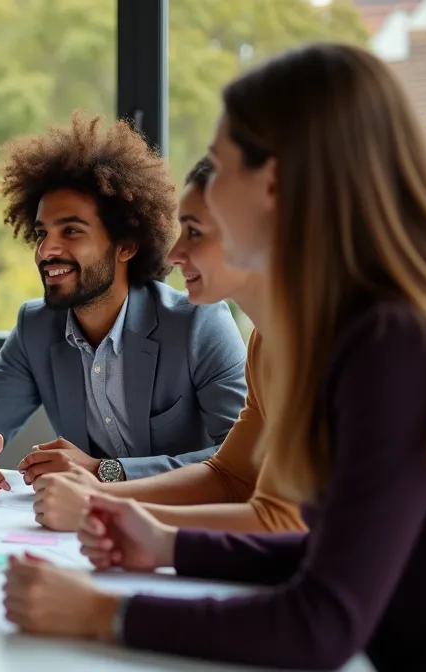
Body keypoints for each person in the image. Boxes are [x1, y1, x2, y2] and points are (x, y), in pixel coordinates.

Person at [3, 42, 426, 671]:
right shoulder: (354, 329)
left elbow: (322, 623)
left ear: (274, 182)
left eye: (224, 160)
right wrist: (169, 544)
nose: (204, 188)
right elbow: (333, 552)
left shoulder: (391, 343)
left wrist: (102, 614)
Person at [0, 113, 247, 497]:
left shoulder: (198, 322)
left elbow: (241, 459)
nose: (47, 250)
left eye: (72, 231)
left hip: (182, 527)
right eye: (42, 233)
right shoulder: (35, 326)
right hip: (83, 530)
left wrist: (105, 472)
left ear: (126, 245)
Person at [30, 157, 304, 533]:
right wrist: (101, 499)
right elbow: (232, 476)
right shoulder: (263, 343)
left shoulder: (327, 345)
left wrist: (103, 509)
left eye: (194, 232)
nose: (173, 255)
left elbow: (287, 522)